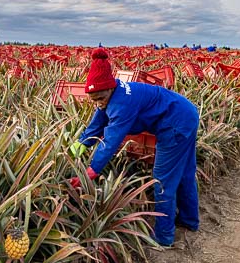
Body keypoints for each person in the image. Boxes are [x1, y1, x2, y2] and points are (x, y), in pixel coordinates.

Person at [68, 48, 200, 247]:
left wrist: (91, 171)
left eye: (100, 99)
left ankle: (164, 237)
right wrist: (80, 144)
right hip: (185, 113)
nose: (98, 104)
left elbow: (111, 141)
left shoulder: (121, 105)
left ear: (109, 90)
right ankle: (190, 221)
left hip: (176, 124)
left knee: (162, 180)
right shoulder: (112, 92)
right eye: (93, 100)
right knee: (184, 173)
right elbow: (98, 122)